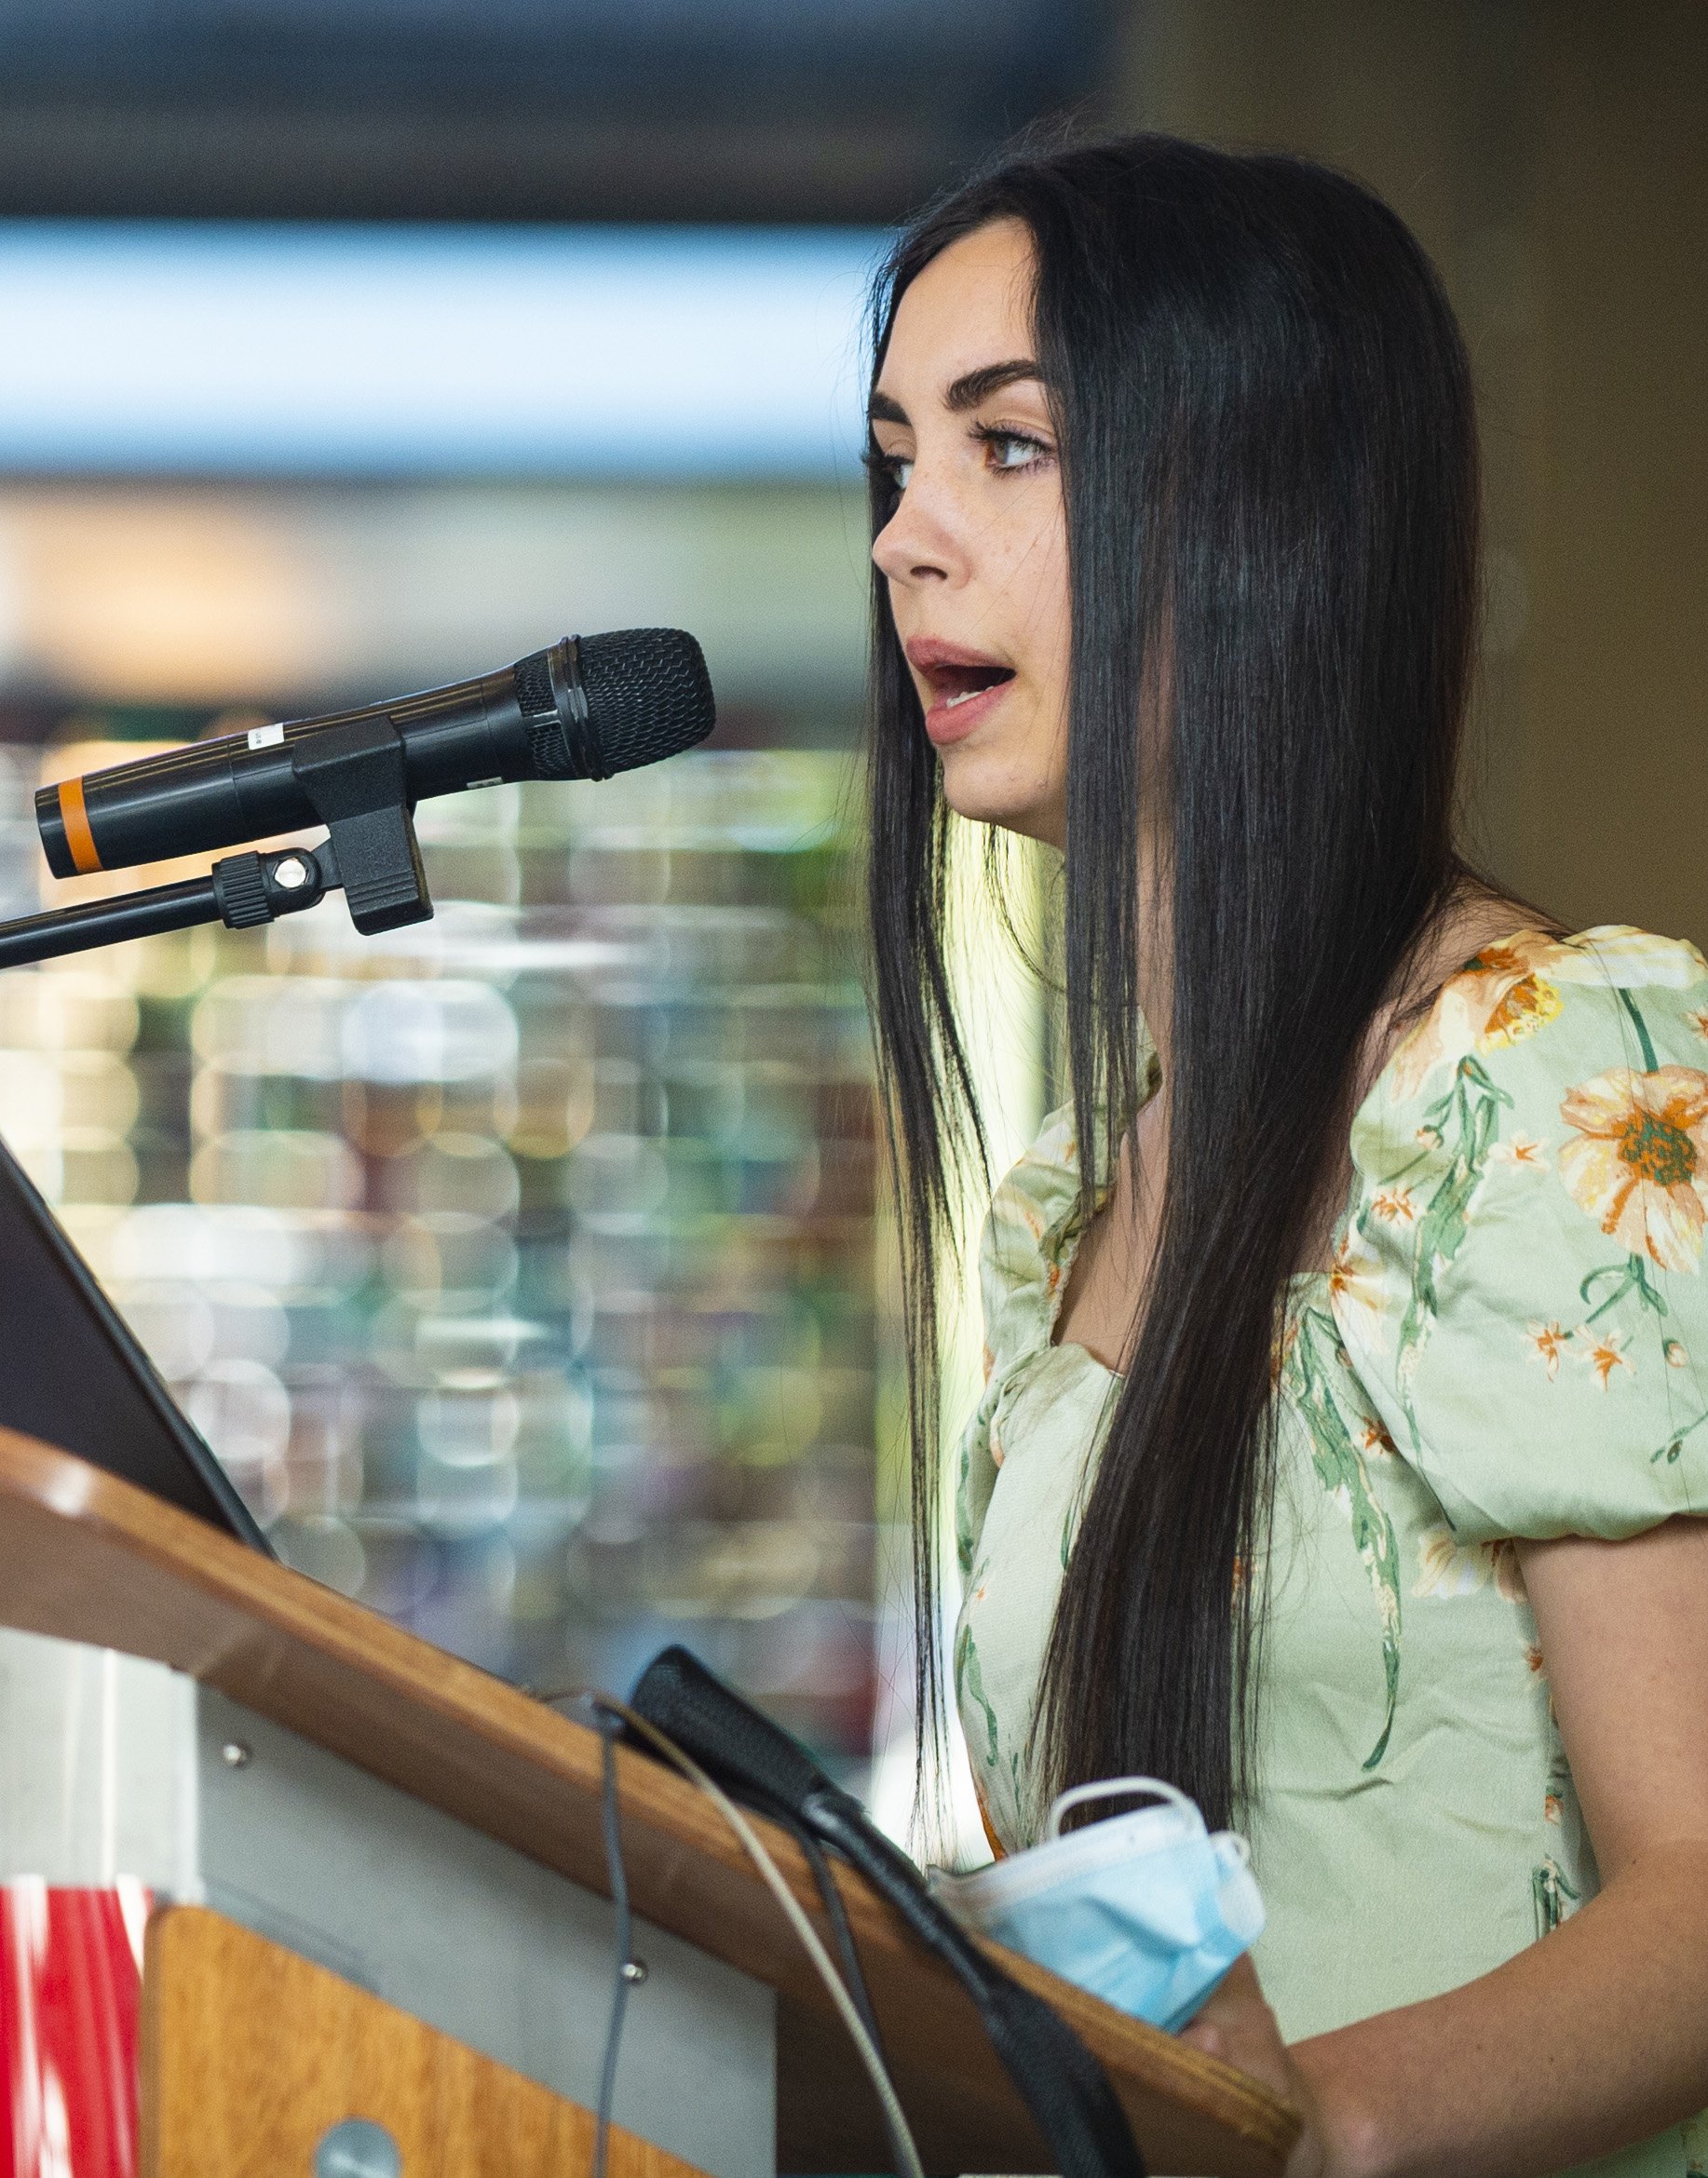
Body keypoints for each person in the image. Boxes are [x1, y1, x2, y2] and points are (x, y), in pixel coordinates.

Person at [861, 132, 1708, 2178]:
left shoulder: (1552, 1071)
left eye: (1011, 451)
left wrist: (1320, 2127)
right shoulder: (1075, 1191)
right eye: (892, 461)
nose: (906, 539)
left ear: (1262, 513)